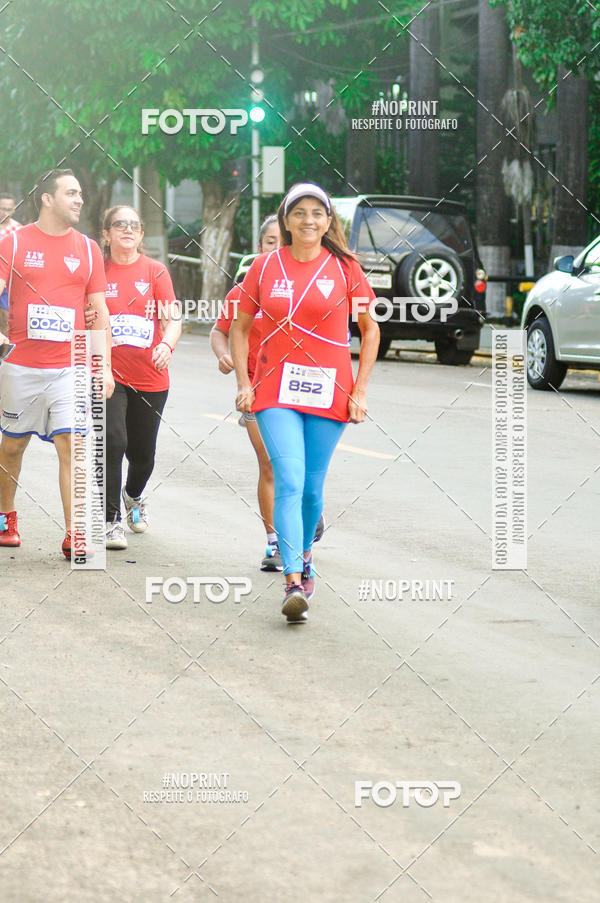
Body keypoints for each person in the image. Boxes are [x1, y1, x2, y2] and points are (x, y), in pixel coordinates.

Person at [230, 182, 380, 622]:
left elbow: (370, 329)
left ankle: (306, 554)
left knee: (312, 489)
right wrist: (244, 382)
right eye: (299, 212)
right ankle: (293, 580)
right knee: (289, 479)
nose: (308, 220)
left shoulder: (347, 269)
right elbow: (239, 328)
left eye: (317, 213)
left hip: (329, 391)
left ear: (329, 221)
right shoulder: (264, 266)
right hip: (275, 390)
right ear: (286, 220)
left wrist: (360, 390)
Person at [0, 168, 113, 556]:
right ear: (47, 199)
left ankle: (76, 532)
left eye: (80, 193)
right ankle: (5, 517)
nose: (80, 199)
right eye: (71, 193)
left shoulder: (88, 249)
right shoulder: (14, 243)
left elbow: (98, 309)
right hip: (21, 366)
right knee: (12, 448)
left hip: (71, 366)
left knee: (74, 443)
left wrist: (104, 366)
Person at [210, 215, 325, 572]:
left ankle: (307, 508)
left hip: (300, 389)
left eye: (282, 242)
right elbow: (220, 331)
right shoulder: (243, 291)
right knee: (271, 464)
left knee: (302, 468)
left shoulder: (307, 286)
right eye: (270, 242)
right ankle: (276, 542)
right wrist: (225, 356)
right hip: (256, 391)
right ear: (259, 247)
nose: (276, 248)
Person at [99, 205, 181, 550]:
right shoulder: (97, 270)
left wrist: (166, 344)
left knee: (143, 454)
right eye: (120, 224)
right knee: (113, 442)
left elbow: (173, 319)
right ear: (107, 234)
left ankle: (133, 495)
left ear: (142, 234)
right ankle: (111, 521)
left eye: (134, 225)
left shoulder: (154, 271)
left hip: (150, 377)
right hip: (108, 374)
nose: (128, 229)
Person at [0, 193, 21, 331]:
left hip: (8, 284)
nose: (5, 213)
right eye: (2, 208)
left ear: (13, 210)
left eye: (9, 209)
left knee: (5, 324)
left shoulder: (18, 231)